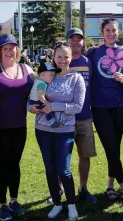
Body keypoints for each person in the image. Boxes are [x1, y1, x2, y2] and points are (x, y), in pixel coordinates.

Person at [31, 42, 85, 220]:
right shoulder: (48, 75)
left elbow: (77, 106)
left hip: (65, 130)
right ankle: (56, 202)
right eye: (59, 56)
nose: (62, 60)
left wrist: (54, 106)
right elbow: (32, 97)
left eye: (66, 56)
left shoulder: (76, 78)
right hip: (43, 129)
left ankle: (71, 204)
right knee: (49, 168)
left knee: (63, 169)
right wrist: (32, 108)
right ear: (53, 57)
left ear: (71, 58)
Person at [85, 18, 123, 204]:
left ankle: (109, 186)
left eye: (114, 30)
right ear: (102, 32)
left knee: (113, 147)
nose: (111, 33)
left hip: (120, 106)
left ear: (118, 32)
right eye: (107, 30)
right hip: (100, 107)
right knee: (111, 147)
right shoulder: (93, 53)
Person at [0, 34, 35, 221]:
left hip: (19, 127)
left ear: (17, 50)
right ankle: (3, 204)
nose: (9, 51)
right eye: (5, 48)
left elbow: (41, 86)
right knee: (1, 166)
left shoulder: (26, 68)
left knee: (14, 164)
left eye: (12, 47)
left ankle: (14, 200)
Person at [67, 28, 97, 203]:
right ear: (68, 41)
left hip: (85, 116)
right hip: (65, 117)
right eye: (73, 39)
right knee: (62, 156)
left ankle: (83, 188)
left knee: (85, 155)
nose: (76, 42)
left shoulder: (88, 62)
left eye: (79, 39)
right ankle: (60, 189)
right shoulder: (62, 60)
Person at [28, 61, 61, 127]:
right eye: (51, 75)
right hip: (37, 101)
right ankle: (52, 122)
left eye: (54, 75)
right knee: (48, 108)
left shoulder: (37, 80)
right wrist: (46, 102)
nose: (53, 77)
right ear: (42, 74)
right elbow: (40, 96)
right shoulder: (42, 84)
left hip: (32, 102)